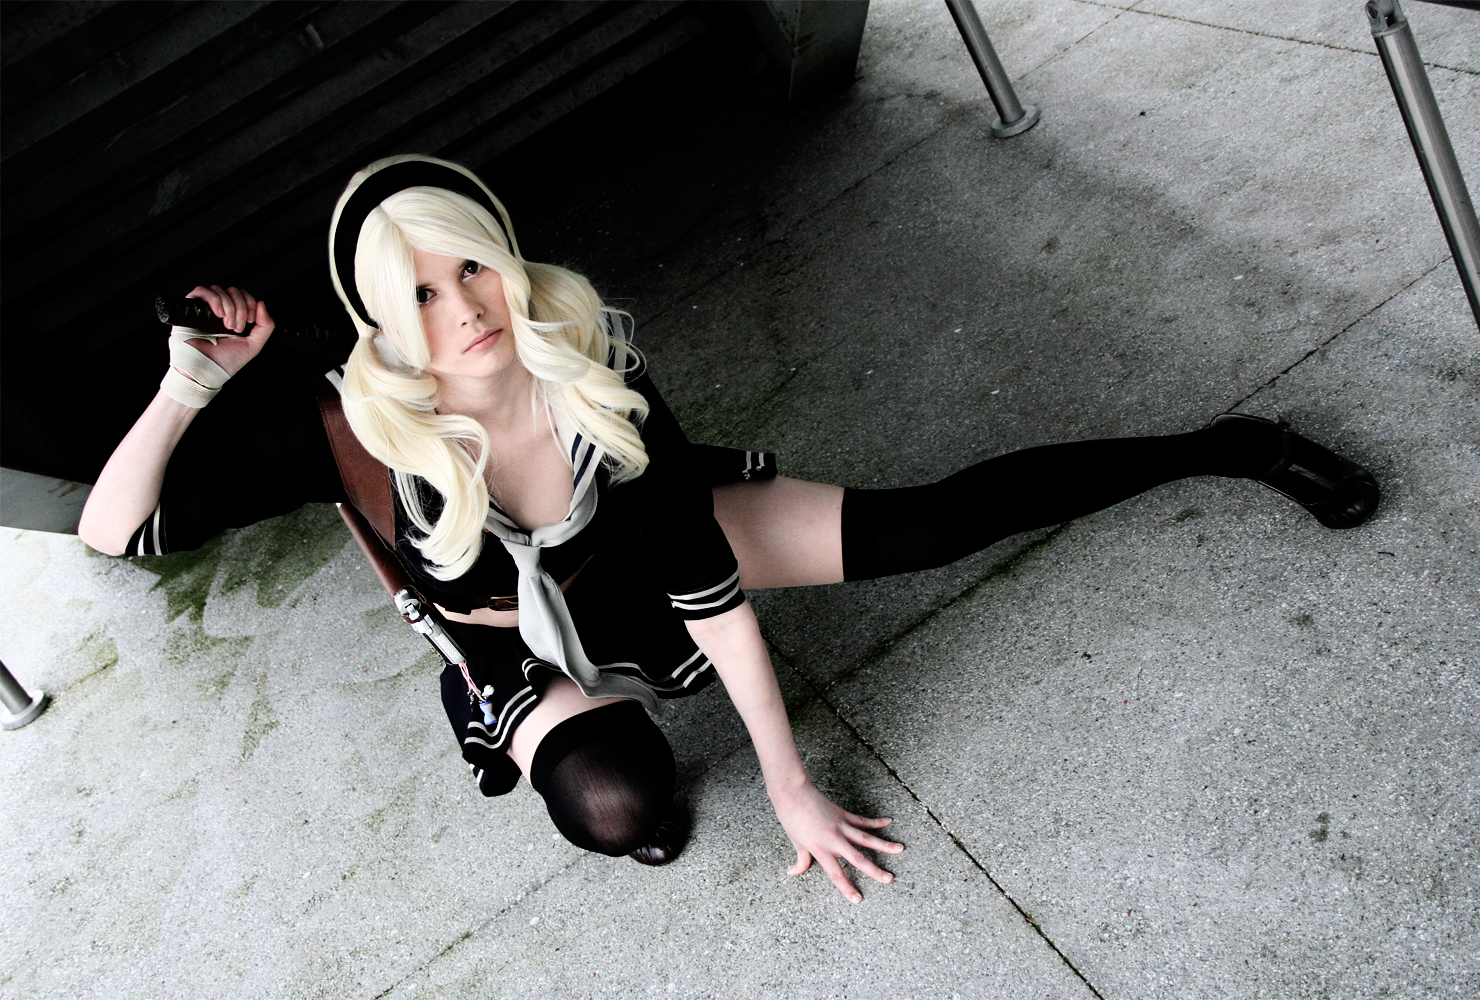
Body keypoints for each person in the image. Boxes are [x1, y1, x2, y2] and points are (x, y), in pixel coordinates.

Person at [80, 154, 1378, 904]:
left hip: (643, 556)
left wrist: (792, 783)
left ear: (505, 256)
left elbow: (707, 590)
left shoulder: (591, 372)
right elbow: (111, 534)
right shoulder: (359, 419)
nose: (464, 308)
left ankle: (1231, 446)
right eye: (419, 292)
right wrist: (190, 385)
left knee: (933, 524)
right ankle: (542, 727)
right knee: (621, 806)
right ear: (381, 316)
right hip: (519, 639)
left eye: (472, 265)